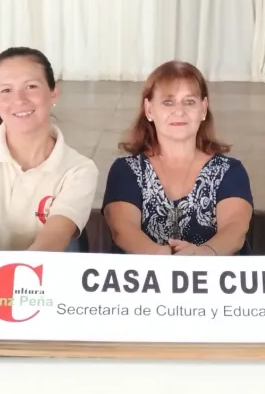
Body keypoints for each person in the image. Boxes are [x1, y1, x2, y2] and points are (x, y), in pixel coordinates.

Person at [0, 46, 98, 265]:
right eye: (6, 90)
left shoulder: (80, 170)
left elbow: (55, 237)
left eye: (31, 86)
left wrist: (16, 278)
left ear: (53, 92)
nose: (20, 99)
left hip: (37, 280)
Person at [102, 60, 253, 255]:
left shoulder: (229, 171)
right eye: (168, 102)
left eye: (189, 102)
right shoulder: (126, 171)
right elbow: (123, 229)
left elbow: (235, 229)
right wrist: (160, 257)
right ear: (149, 109)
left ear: (203, 108)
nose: (179, 111)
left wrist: (204, 253)